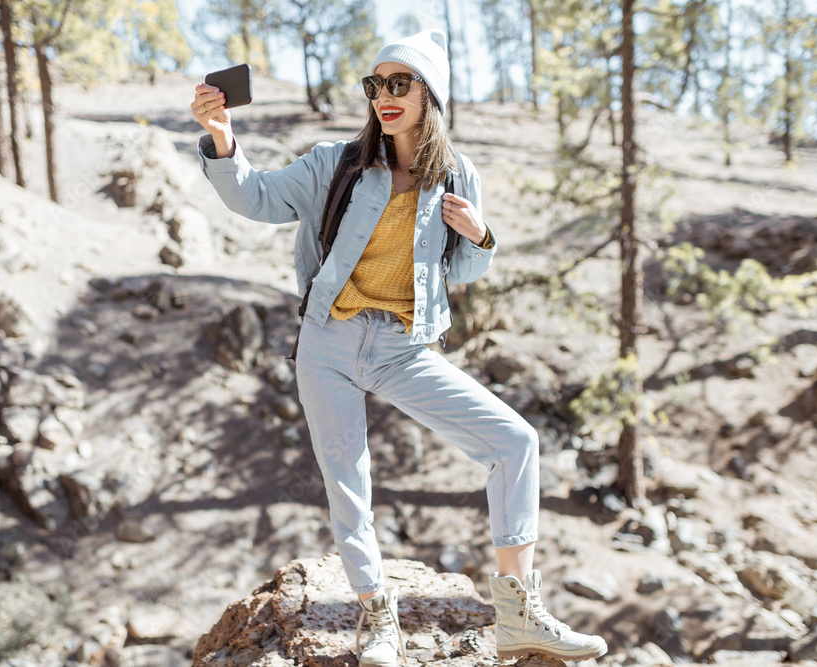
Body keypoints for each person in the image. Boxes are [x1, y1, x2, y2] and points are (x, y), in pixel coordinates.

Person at [192, 29, 608, 667]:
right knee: (348, 479)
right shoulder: (335, 162)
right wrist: (222, 137)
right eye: (375, 85)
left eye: (399, 83)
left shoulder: (456, 172)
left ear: (429, 94)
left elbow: (461, 272)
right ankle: (377, 617)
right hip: (328, 340)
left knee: (515, 442)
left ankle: (520, 614)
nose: (384, 96)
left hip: (403, 346)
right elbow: (258, 198)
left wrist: (481, 235)